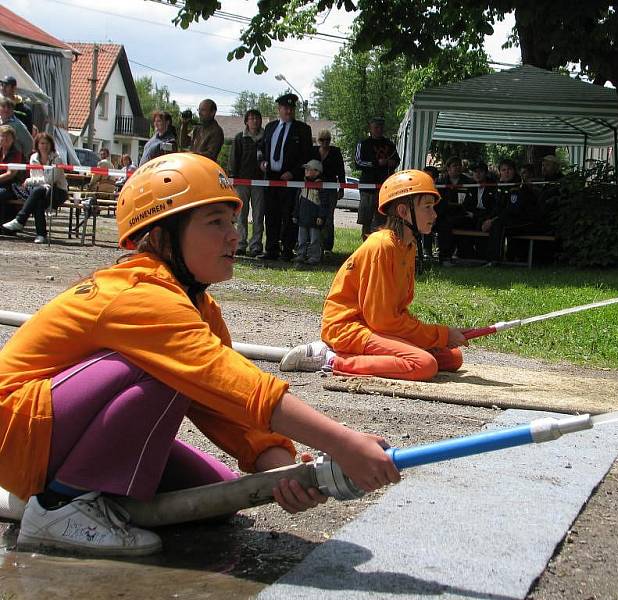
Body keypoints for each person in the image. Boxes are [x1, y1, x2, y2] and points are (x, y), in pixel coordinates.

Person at [0, 152, 399, 557]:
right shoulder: (140, 294)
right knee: (160, 370)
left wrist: (279, 468)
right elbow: (228, 378)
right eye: (215, 222)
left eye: (232, 220)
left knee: (216, 497)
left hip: (46, 436)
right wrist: (345, 443)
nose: (234, 234)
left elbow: (224, 402)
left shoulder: (199, 308)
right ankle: (57, 507)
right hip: (15, 432)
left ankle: (46, 493)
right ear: (159, 235)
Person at [279, 169, 469, 381]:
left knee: (452, 358)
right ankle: (331, 359)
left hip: (374, 326)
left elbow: (394, 314)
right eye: (427, 208)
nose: (434, 215)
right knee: (424, 364)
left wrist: (441, 336)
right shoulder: (382, 246)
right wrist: (440, 334)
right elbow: (382, 321)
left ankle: (361, 356)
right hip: (350, 328)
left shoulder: (408, 246)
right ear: (404, 211)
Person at [259, 93, 313, 261]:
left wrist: (293, 172)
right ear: (279, 109)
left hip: (290, 179)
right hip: (271, 178)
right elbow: (260, 148)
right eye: (285, 108)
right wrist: (261, 162)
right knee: (271, 215)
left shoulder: (303, 129)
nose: (288, 111)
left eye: (291, 108)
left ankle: (287, 250)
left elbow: (306, 156)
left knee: (289, 216)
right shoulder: (270, 127)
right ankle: (271, 249)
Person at [1, 132, 68, 244]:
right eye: (42, 143)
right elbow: (36, 178)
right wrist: (33, 181)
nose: (44, 146)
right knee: (38, 201)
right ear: (37, 145)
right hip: (40, 191)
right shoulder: (33, 158)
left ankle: (20, 220)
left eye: (47, 143)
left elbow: (50, 180)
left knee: (38, 191)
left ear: (51, 145)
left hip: (58, 191)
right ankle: (40, 235)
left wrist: (28, 181)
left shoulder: (57, 159)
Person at [228, 109, 265, 257]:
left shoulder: (265, 137)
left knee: (258, 215)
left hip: (261, 182)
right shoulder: (239, 138)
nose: (254, 121)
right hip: (242, 181)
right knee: (241, 215)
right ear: (246, 121)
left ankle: (256, 245)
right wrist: (233, 178)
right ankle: (240, 243)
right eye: (251, 118)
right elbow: (233, 159)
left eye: (257, 118)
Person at [355, 117, 398, 239]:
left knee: (382, 220)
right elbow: (358, 162)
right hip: (367, 188)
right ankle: (365, 246)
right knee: (366, 220)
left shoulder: (389, 144)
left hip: (385, 188)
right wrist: (376, 163)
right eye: (376, 127)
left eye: (381, 127)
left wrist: (391, 162)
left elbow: (397, 160)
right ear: (371, 128)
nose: (379, 130)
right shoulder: (363, 144)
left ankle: (380, 245)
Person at [435, 157, 475, 266]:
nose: (457, 168)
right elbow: (438, 201)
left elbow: (471, 201)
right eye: (454, 165)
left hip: (462, 215)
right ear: (448, 168)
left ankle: (464, 256)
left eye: (459, 165)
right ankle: (445, 257)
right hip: (445, 215)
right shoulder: (441, 181)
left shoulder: (469, 182)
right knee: (444, 224)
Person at [313, 129, 346, 254]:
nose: (325, 143)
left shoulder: (335, 152)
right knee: (315, 217)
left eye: (327, 140)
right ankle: (316, 245)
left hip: (331, 189)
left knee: (328, 218)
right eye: (322, 140)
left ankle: (327, 247)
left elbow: (341, 171)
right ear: (318, 141)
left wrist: (342, 188)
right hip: (315, 189)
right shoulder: (313, 151)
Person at [292, 159, 329, 265]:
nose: (306, 171)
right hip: (302, 217)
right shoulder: (303, 184)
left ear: (317, 172)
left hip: (315, 218)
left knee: (315, 239)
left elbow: (324, 203)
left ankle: (314, 257)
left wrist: (321, 216)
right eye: (306, 169)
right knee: (301, 238)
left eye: (309, 169)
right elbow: (297, 200)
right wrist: (295, 214)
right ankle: (300, 255)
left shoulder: (321, 186)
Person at [0, 125, 25, 219]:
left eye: (8, 136)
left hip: (12, 185)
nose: (5, 139)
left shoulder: (16, 154)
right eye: (2, 136)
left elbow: (11, 174)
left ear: (13, 139)